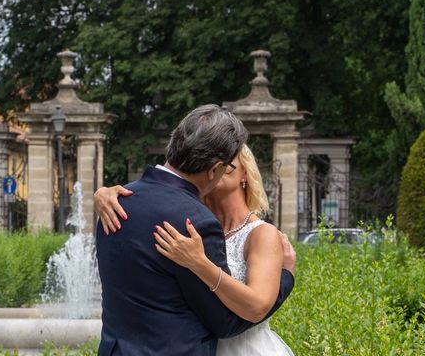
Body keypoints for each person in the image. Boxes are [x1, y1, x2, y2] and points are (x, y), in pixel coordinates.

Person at [94, 104, 295, 356]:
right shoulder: (196, 223)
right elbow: (226, 323)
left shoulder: (114, 203)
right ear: (214, 170)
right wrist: (285, 278)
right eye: (225, 167)